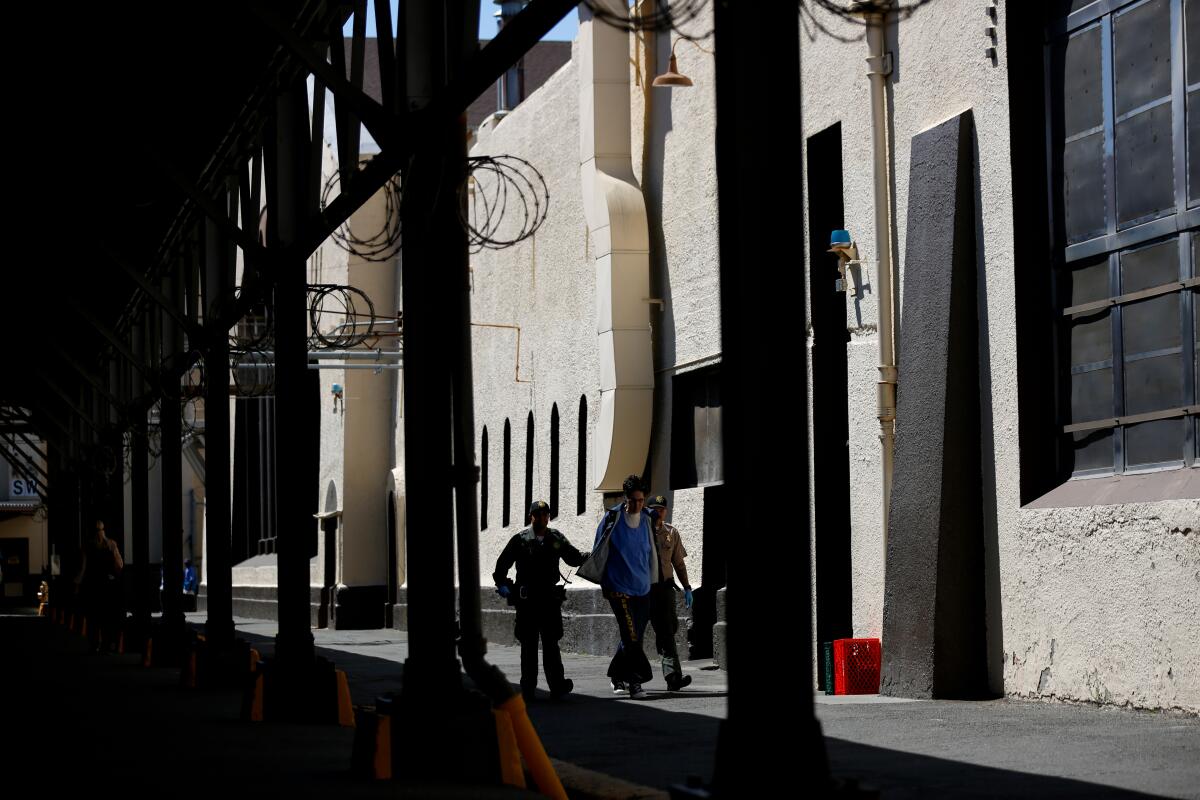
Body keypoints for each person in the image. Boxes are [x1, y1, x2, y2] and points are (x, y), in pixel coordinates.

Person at [493, 500, 587, 702]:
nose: (542, 518)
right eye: (538, 514)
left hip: (549, 601)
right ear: (531, 517)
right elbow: (502, 564)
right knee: (528, 646)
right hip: (527, 602)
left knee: (551, 644)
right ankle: (528, 688)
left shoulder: (554, 538)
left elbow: (572, 557)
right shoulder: (520, 540)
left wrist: (591, 556)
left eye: (545, 515)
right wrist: (502, 585)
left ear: (549, 517)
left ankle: (557, 686)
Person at [595, 474, 659, 699]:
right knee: (631, 636)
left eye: (641, 500)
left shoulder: (648, 519)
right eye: (633, 500)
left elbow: (653, 552)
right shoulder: (612, 519)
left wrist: (655, 582)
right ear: (625, 498)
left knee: (634, 637)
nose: (637, 505)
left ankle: (616, 674)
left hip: (643, 588)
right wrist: (605, 583)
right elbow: (599, 551)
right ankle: (636, 683)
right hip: (619, 588)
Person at [646, 495, 694, 691]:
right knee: (633, 634)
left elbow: (679, 564)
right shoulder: (641, 532)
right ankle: (620, 676)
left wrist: (687, 587)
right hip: (643, 590)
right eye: (655, 508)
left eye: (662, 509)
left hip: (665, 589)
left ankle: (673, 677)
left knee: (668, 631)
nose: (659, 512)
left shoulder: (671, 533)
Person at [75, 520, 124, 653]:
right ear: (104, 530)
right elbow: (119, 565)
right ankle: (107, 643)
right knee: (107, 616)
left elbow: (83, 568)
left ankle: (95, 643)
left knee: (93, 617)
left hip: (92, 585)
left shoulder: (87, 546)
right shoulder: (112, 544)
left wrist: (77, 584)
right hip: (108, 585)